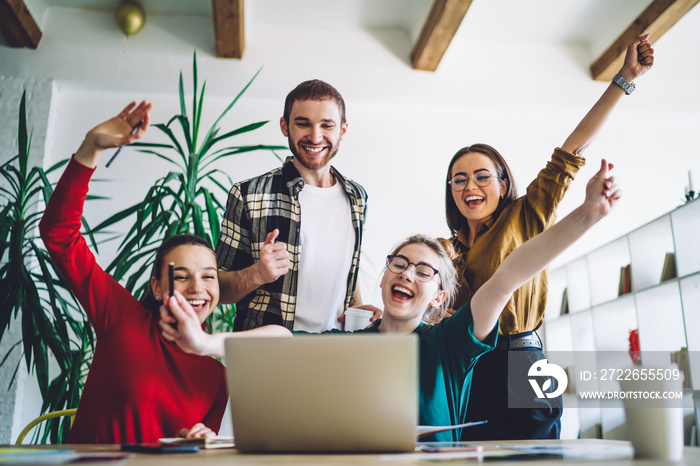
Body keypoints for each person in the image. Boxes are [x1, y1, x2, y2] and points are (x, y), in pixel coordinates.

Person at [159, 159, 620, 441]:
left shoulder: (450, 345)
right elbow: (281, 337)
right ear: (382, 279)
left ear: (440, 296)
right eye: (399, 264)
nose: (407, 274)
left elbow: (509, 275)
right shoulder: (350, 343)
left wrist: (588, 215)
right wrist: (204, 343)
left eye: (424, 271)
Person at [443, 35, 654, 440]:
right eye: (459, 179)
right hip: (466, 369)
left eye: (482, 176)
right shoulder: (444, 251)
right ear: (451, 191)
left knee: (538, 455)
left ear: (503, 184)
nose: (470, 185)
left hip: (523, 358)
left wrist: (624, 79)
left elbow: (571, 149)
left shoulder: (527, 213)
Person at [39, 101, 231, 443]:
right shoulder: (123, 319)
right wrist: (90, 148)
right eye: (181, 275)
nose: (197, 287)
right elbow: (59, 234)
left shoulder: (218, 376)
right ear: (156, 287)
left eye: (208, 275)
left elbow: (197, 447)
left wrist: (203, 441)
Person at [216, 79, 378, 333]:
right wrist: (257, 274)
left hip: (336, 349)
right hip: (269, 355)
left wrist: (358, 307)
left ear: (342, 131)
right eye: (303, 124)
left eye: (327, 125)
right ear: (285, 126)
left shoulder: (357, 197)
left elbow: (348, 268)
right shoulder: (248, 194)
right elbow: (218, 289)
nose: (315, 136)